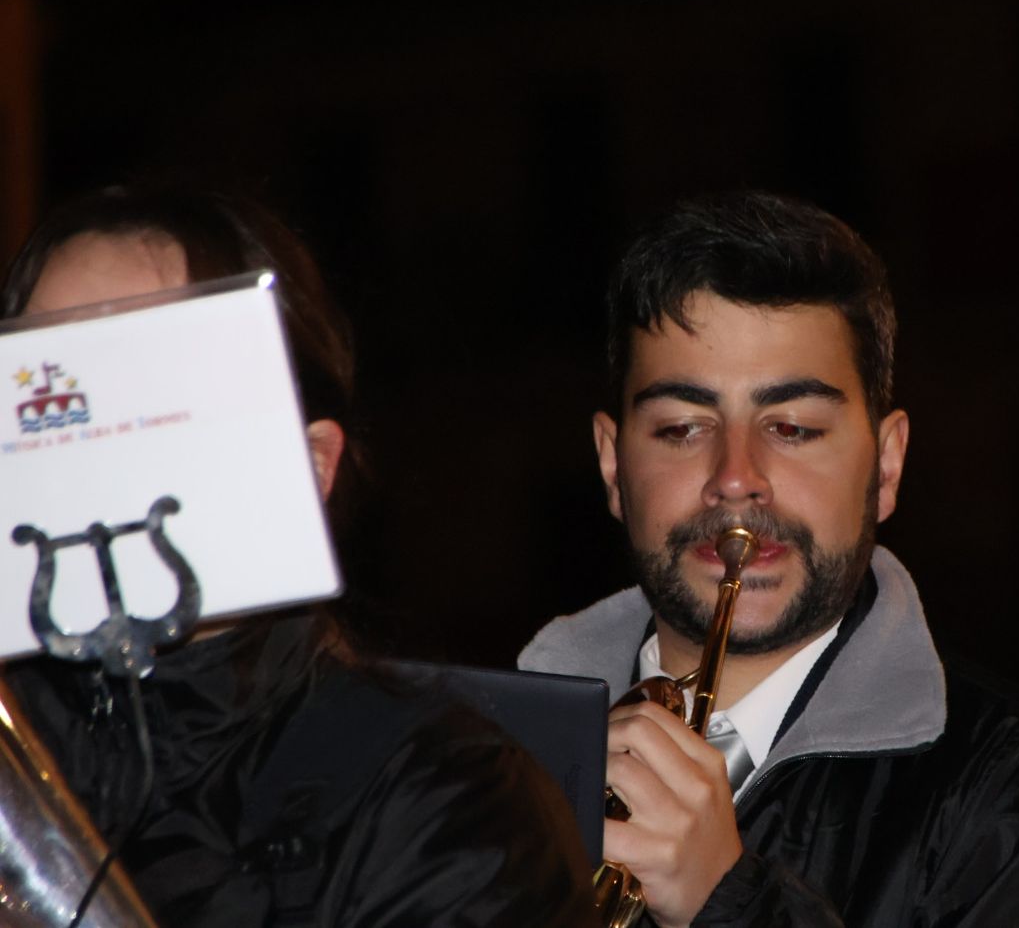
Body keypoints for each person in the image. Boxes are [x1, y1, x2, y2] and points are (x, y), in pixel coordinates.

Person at [518, 191, 1019, 927]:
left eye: (792, 426)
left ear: (885, 466)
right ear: (613, 466)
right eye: (684, 427)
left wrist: (730, 902)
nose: (736, 475)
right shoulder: (487, 761)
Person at [0, 186, 598, 928]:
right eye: (50, 385)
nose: (93, 442)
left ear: (308, 466)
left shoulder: (449, 799)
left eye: (149, 391)